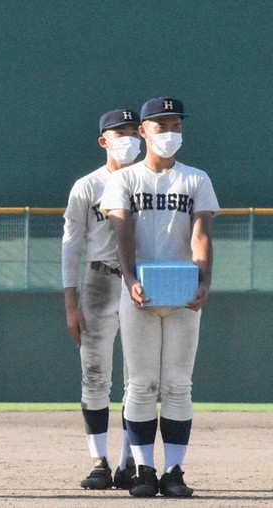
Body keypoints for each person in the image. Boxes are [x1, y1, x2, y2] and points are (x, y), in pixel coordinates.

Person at [101, 97, 219, 497]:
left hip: (184, 290)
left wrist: (204, 280)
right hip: (139, 292)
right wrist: (130, 277)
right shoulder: (125, 179)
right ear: (145, 130)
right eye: (162, 125)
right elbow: (122, 234)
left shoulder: (196, 179)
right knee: (141, 384)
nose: (171, 133)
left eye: (177, 126)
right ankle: (143, 469)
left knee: (178, 384)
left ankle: (173, 470)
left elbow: (202, 234)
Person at [62, 108, 141, 490]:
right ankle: (99, 460)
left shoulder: (148, 181)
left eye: (132, 131)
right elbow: (71, 246)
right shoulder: (87, 185)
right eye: (118, 132)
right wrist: (70, 302)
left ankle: (130, 461)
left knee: (138, 379)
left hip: (140, 281)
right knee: (95, 377)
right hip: (98, 279)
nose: (127, 138)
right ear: (103, 140)